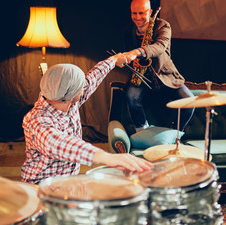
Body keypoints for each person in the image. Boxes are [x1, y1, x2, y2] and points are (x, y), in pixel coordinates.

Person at [21, 53, 153, 184]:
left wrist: (113, 60)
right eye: (81, 85)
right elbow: (59, 143)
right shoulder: (36, 121)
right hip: (40, 186)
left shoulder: (67, 100)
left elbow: (93, 77)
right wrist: (105, 157)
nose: (85, 85)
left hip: (68, 182)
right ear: (71, 94)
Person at [123, 0, 195, 133]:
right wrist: (131, 62)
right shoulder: (128, 32)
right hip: (141, 77)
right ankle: (142, 131)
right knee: (131, 96)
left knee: (190, 100)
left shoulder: (163, 25)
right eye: (134, 13)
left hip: (165, 75)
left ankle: (175, 133)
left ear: (150, 12)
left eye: (141, 13)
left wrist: (138, 52)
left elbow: (160, 46)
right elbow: (128, 55)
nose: (137, 17)